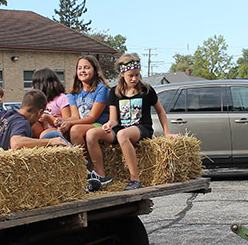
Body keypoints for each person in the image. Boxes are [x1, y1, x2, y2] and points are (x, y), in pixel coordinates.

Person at [85, 53, 176, 190]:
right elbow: (114, 119)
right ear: (122, 74)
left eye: (137, 75)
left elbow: (161, 111)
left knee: (123, 135)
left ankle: (135, 179)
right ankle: (101, 175)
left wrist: (167, 132)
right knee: (91, 134)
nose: (134, 78)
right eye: (131, 75)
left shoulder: (146, 90)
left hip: (141, 128)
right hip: (120, 128)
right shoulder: (115, 92)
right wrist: (109, 124)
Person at [0, 89, 70, 151]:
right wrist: (50, 142)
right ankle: (83, 166)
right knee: (52, 135)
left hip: (0, 159)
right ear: (39, 112)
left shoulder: (5, 114)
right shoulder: (22, 122)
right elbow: (16, 143)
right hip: (12, 168)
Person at [58, 56, 110, 147]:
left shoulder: (101, 89)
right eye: (79, 68)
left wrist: (70, 123)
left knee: (75, 130)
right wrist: (63, 121)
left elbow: (92, 117)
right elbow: (75, 117)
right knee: (61, 130)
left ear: (95, 70)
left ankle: (83, 160)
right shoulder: (73, 93)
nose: (82, 71)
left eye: (87, 68)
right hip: (83, 123)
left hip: (100, 124)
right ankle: (70, 159)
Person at [31, 68, 69, 139]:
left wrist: (49, 118)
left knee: (45, 134)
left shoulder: (62, 98)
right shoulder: (38, 100)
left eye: (36, 84)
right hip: (42, 129)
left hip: (58, 130)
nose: (33, 87)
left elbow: (67, 122)